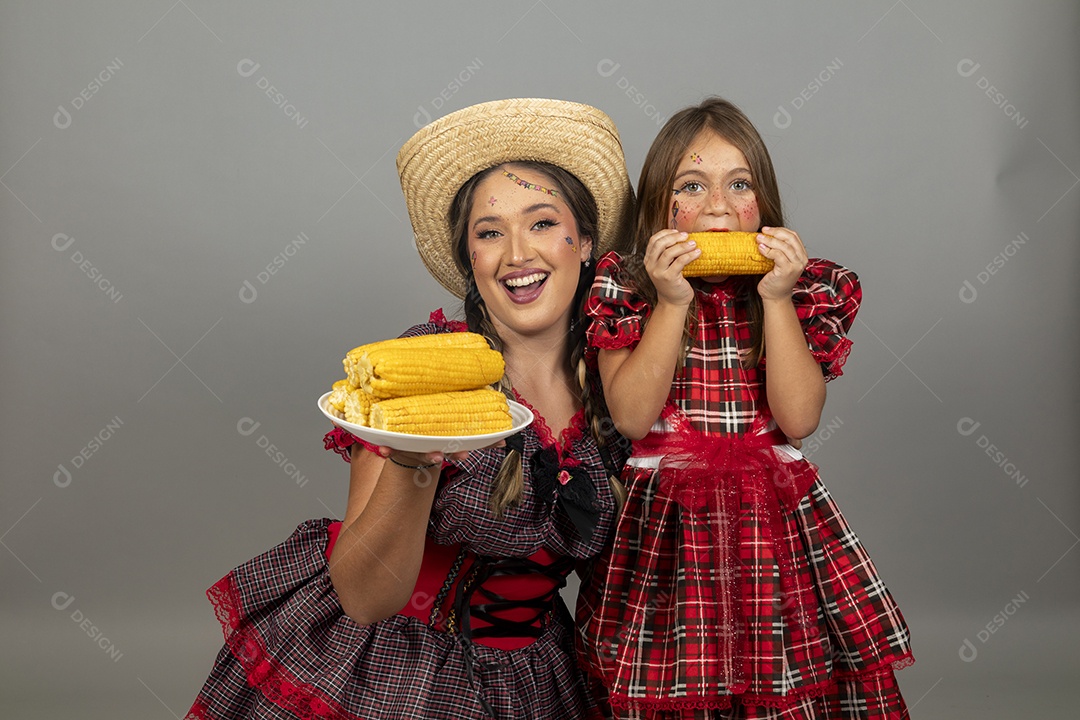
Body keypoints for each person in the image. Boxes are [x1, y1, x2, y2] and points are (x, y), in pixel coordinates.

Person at [185, 98, 634, 720]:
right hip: (393, 668)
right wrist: (412, 458)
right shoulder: (421, 367)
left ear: (584, 242)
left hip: (535, 680)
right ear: (468, 259)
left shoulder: (621, 387)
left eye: (541, 223)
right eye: (489, 232)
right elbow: (365, 596)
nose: (516, 254)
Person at [576, 97, 914, 719]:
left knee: (778, 671)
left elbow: (800, 418)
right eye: (691, 186)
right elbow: (629, 415)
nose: (717, 207)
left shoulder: (797, 291)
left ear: (765, 201)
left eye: (739, 184)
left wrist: (779, 299)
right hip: (668, 528)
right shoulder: (628, 288)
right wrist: (673, 301)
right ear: (658, 207)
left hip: (773, 528)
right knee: (673, 675)